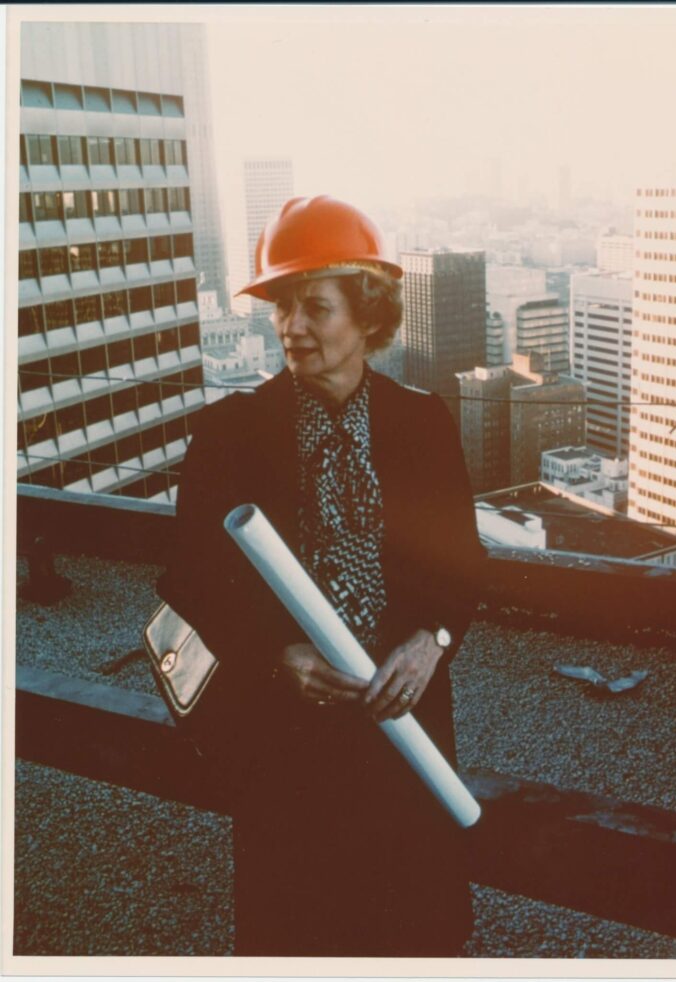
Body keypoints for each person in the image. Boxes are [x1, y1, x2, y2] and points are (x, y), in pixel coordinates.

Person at [157, 195, 486, 957]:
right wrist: (276, 659)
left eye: (315, 307)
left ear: (368, 318)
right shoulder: (229, 435)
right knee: (297, 932)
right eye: (282, 307)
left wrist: (431, 641)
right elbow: (189, 581)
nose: (290, 327)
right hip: (289, 747)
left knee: (414, 932)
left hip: (401, 733)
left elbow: (461, 565)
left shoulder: (422, 423)